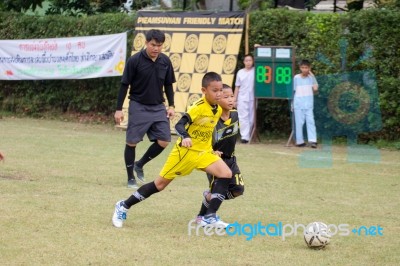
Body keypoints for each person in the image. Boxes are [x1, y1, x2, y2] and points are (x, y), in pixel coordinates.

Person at [112, 72, 232, 228]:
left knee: (226, 174)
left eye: (220, 90)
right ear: (204, 90)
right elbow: (179, 125)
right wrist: (186, 136)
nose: (219, 94)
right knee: (159, 185)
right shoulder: (198, 107)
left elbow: (207, 131)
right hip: (185, 153)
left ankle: (209, 216)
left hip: (203, 153)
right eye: (214, 90)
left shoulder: (217, 108)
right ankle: (123, 205)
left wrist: (211, 150)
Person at [114, 29, 176, 189]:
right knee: (132, 141)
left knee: (164, 140)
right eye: (153, 45)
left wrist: (171, 105)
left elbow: (168, 84)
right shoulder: (134, 61)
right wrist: (118, 109)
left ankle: (139, 164)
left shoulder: (165, 61)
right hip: (138, 105)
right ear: (146, 43)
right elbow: (124, 85)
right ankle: (130, 178)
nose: (156, 48)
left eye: (159, 45)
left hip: (158, 107)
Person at [196, 84, 244, 223]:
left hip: (231, 160)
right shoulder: (212, 120)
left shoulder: (235, 115)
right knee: (220, 188)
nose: (230, 100)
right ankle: (207, 216)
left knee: (238, 190)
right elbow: (201, 140)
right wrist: (211, 151)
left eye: (232, 96)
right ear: (218, 99)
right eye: (226, 97)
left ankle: (209, 197)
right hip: (214, 161)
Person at [293, 59, 318, 148]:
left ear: (309, 68)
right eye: (302, 67)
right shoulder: (296, 77)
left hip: (308, 105)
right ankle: (300, 141)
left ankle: (313, 141)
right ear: (300, 68)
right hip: (298, 104)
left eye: (306, 68)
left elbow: (315, 89)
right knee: (299, 123)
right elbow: (293, 90)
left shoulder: (311, 78)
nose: (304, 69)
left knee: (311, 122)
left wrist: (313, 76)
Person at [234, 54, 255, 144]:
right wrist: (234, 99)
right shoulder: (240, 72)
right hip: (242, 97)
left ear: (253, 61)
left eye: (250, 60)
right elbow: (237, 87)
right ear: (244, 62)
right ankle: (244, 137)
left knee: (251, 118)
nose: (248, 62)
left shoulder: (255, 71)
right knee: (242, 117)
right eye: (246, 60)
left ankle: (249, 135)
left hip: (253, 97)